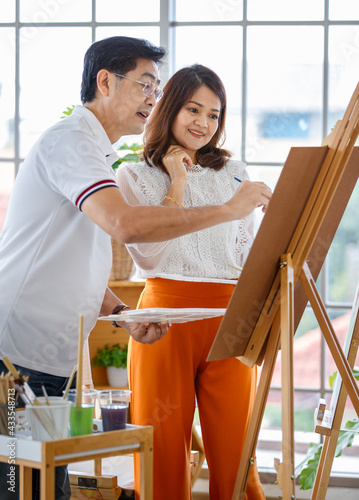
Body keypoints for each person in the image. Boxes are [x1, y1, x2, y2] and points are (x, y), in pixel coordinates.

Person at [0, 38, 270, 500]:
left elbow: (76, 259)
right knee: (19, 486)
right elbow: (125, 226)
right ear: (105, 81)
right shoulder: (71, 144)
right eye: (146, 84)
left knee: (48, 487)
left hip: (51, 358)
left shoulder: (96, 154)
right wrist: (227, 209)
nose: (153, 96)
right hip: (17, 359)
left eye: (156, 86)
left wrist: (124, 312)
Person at [116, 64, 270, 500]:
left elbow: (244, 255)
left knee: (236, 450)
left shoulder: (234, 171)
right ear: (169, 108)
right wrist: (177, 182)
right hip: (163, 318)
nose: (204, 123)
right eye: (193, 109)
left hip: (229, 318)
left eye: (215, 114)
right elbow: (148, 255)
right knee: (161, 447)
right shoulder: (134, 175)